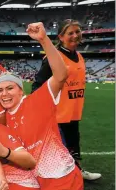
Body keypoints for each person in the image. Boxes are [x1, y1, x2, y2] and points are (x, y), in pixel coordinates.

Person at [0, 22, 114, 190]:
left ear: (22, 90)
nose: (5, 94)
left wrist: (44, 40)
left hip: (60, 180)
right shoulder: (8, 117)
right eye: (0, 90)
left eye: (10, 89)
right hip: (56, 179)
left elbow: (61, 74)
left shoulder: (38, 101)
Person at [31, 19, 100, 181]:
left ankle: (77, 171)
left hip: (73, 112)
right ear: (61, 37)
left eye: (78, 31)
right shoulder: (53, 57)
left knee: (73, 144)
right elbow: (38, 85)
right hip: (57, 114)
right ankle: (62, 179)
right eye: (70, 33)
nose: (75, 35)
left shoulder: (80, 56)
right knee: (59, 150)